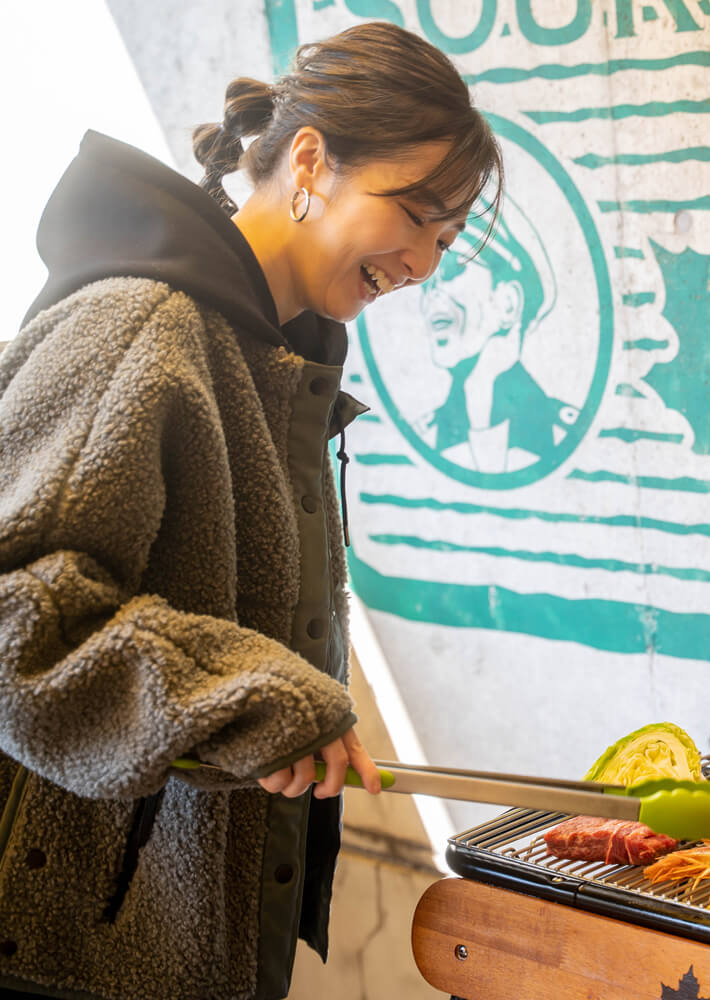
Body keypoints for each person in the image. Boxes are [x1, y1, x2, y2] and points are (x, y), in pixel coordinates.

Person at [0, 21, 500, 1000]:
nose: (424, 265)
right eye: (415, 218)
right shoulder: (140, 322)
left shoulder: (277, 359)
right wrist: (251, 695)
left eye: (446, 240)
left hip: (183, 941)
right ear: (309, 158)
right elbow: (16, 615)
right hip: (63, 949)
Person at [417, 206, 579, 474]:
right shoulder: (426, 434)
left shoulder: (563, 429)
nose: (431, 295)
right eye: (427, 283)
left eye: (450, 271)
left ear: (507, 304)